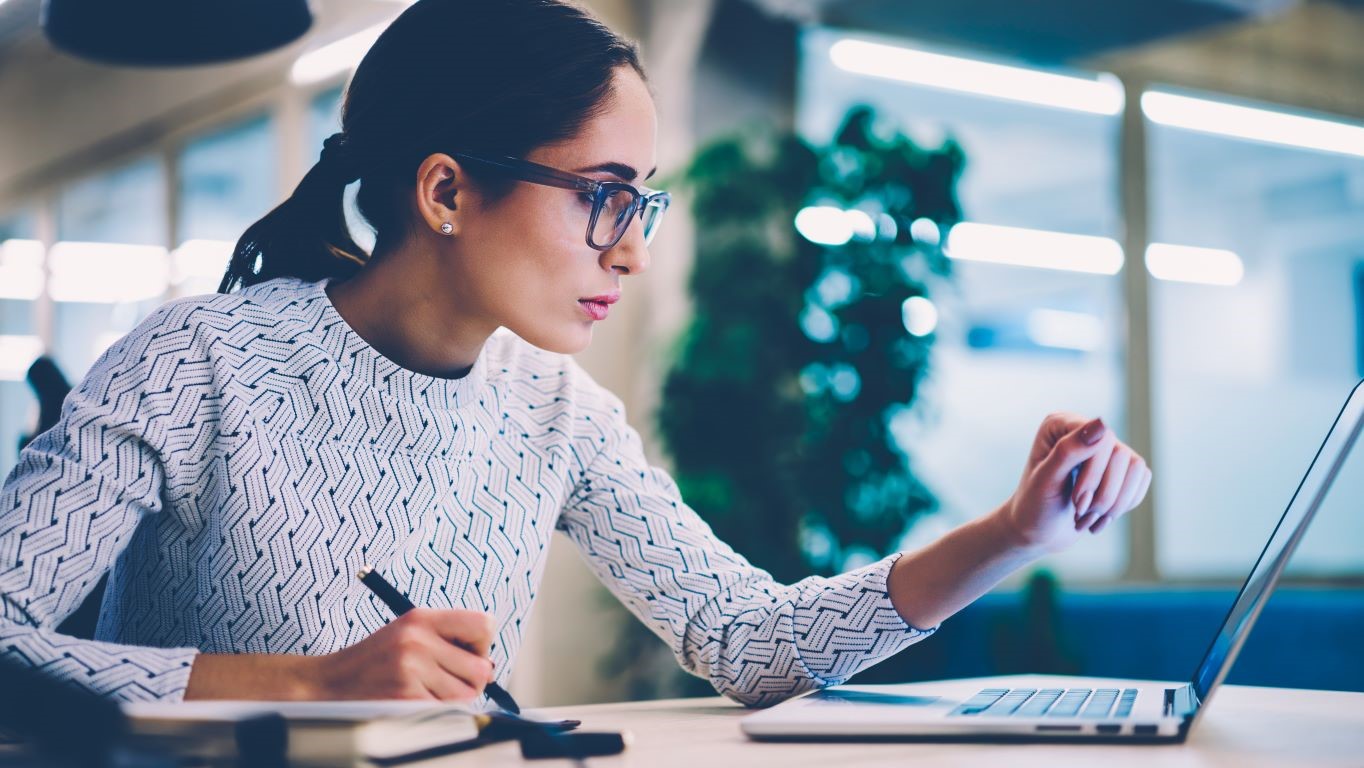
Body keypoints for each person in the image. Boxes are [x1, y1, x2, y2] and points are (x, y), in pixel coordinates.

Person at [0, 0, 1151, 708]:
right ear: (446, 190)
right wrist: (309, 683)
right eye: (604, 197)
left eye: (640, 205)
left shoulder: (556, 410)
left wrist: (1012, 535)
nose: (632, 252)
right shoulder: (196, 361)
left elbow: (744, 640)